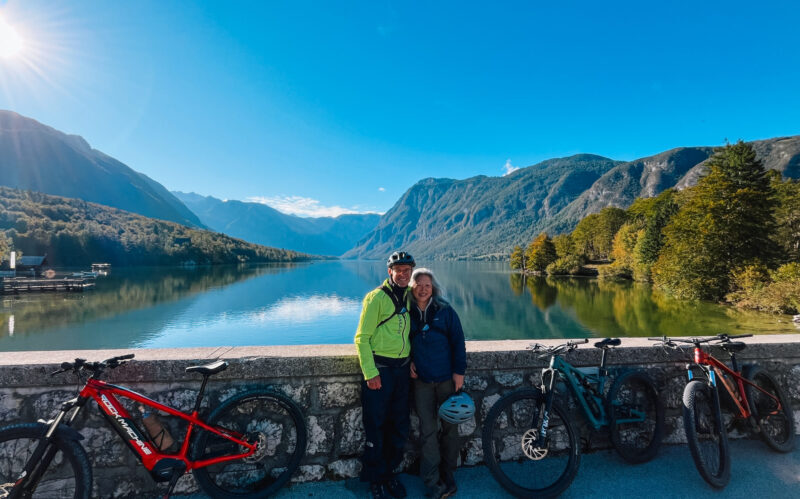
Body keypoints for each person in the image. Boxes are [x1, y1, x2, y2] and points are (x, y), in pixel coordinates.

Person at [354, 251, 416, 499]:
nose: (403, 274)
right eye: (398, 270)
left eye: (407, 270)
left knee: (399, 425)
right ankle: (375, 479)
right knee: (376, 426)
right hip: (380, 371)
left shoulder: (410, 297)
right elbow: (362, 338)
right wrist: (370, 372)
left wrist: (412, 361)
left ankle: (390, 474)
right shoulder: (376, 298)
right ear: (389, 272)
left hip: (402, 372)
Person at [408, 268, 466, 499]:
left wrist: (458, 373)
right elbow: (401, 341)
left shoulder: (445, 311)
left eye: (427, 285)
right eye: (419, 284)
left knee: (450, 428)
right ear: (412, 287)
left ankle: (448, 472)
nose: (423, 289)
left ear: (434, 289)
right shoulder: (406, 312)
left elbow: (458, 342)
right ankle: (432, 481)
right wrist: (409, 361)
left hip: (445, 380)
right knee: (428, 431)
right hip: (421, 382)